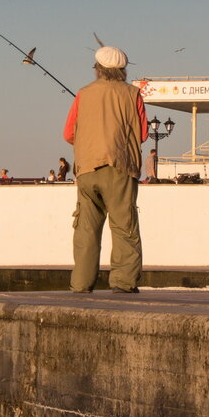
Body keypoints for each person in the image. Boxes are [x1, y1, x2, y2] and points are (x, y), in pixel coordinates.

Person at [63, 44, 148, 293]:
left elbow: (68, 133)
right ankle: (123, 283)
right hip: (120, 168)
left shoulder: (83, 93)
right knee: (124, 226)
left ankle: (81, 283)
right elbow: (142, 133)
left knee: (86, 228)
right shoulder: (133, 94)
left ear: (98, 69)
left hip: (87, 169)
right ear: (122, 70)